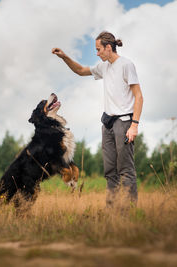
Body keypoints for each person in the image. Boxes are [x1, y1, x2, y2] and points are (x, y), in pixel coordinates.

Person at [52, 31, 143, 208]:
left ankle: (130, 212)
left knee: (126, 170)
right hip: (107, 124)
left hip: (124, 123)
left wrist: (134, 126)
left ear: (108, 47)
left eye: (99, 49)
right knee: (110, 171)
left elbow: (138, 97)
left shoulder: (126, 65)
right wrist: (64, 57)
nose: (97, 53)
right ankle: (112, 211)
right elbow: (80, 70)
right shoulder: (104, 67)